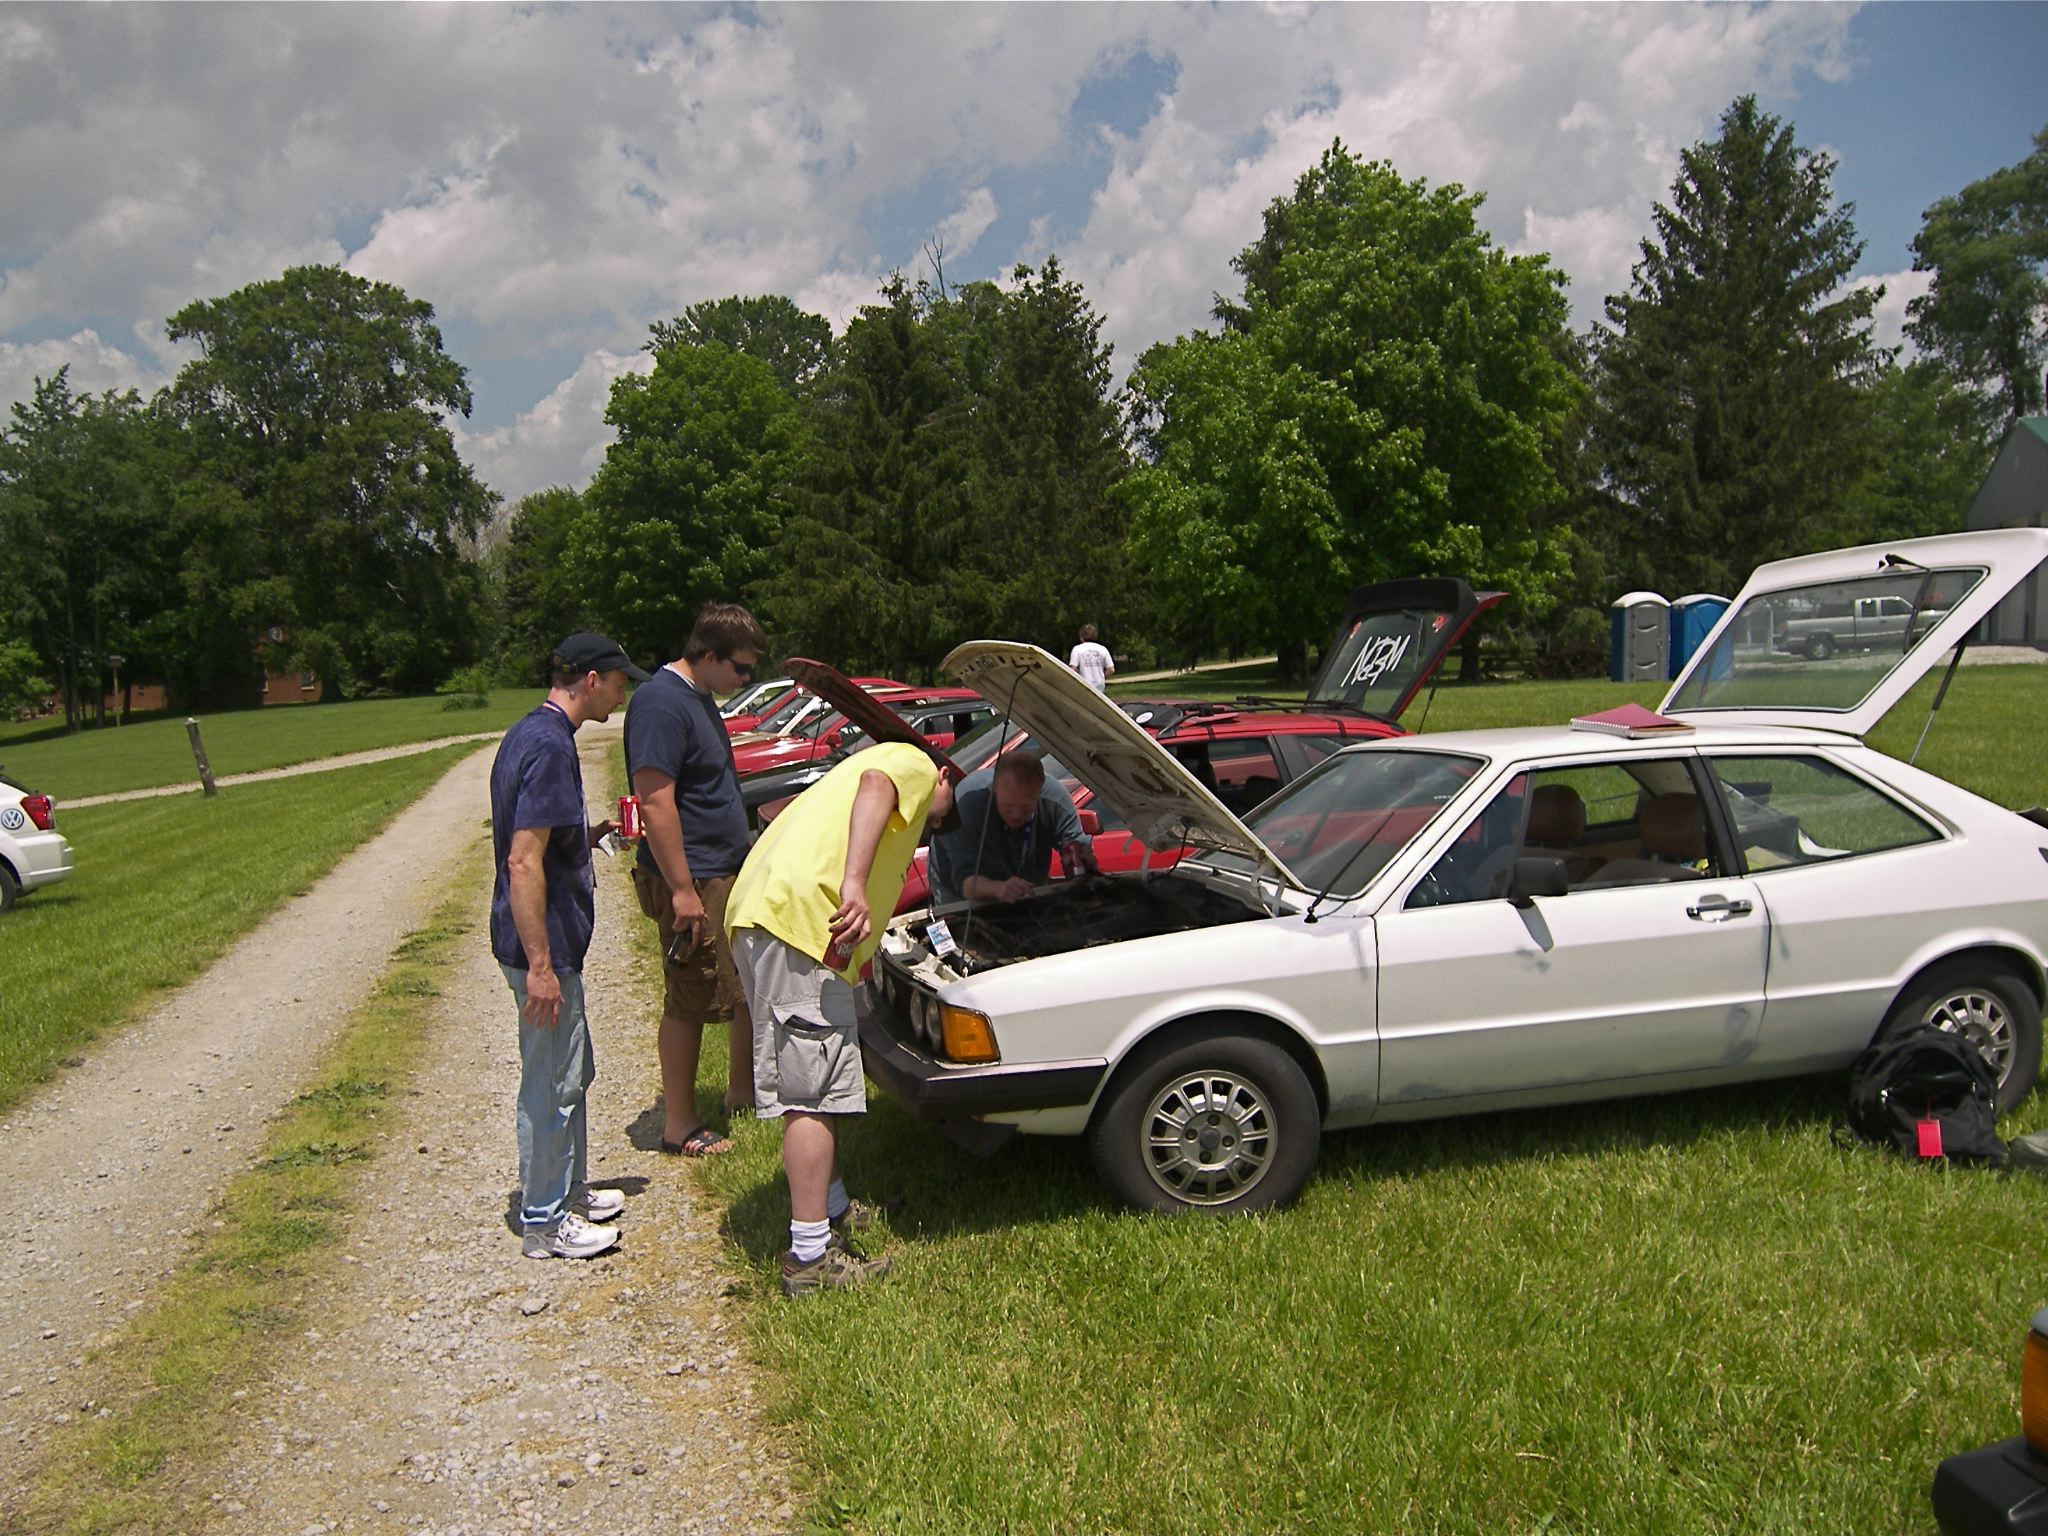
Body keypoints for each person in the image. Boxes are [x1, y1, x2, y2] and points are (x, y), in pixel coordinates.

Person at [724, 742, 957, 1296]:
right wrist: (853, 883)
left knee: (815, 1076)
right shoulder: (914, 765)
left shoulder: (847, 773)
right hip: (802, 922)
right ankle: (809, 1257)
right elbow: (880, 785)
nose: (927, 827)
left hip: (765, 914)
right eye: (936, 819)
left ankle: (831, 1208)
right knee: (812, 1094)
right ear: (944, 777)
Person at [490, 632, 647, 1260]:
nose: (622, 696)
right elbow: (522, 861)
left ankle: (569, 1189)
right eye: (619, 684)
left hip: (551, 946)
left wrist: (591, 836)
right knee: (551, 1082)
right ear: (590, 679)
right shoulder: (552, 746)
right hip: (544, 948)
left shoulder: (530, 733)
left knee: (571, 1072)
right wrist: (540, 965)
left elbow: (543, 840)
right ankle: (544, 1219)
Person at [624, 602, 769, 1158]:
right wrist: (683, 891)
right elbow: (655, 800)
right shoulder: (661, 703)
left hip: (721, 870)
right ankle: (679, 1125)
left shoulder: (699, 696)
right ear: (708, 654)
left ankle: (742, 1093)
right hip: (694, 877)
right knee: (689, 995)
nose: (746, 679)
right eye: (741, 668)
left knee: (739, 988)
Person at [928, 750, 1096, 905]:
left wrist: (1081, 861)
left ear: (1039, 791)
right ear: (994, 788)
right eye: (1008, 806)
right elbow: (965, 882)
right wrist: (999, 889)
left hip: (1023, 883)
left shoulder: (1055, 801)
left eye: (1026, 808)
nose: (1016, 815)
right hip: (958, 885)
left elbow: (1076, 848)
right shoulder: (967, 807)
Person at [1068, 623, 1114, 692]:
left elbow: (1073, 669)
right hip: (1099, 686)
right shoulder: (1102, 649)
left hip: (1083, 685)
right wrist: (1102, 676)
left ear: (1081, 637)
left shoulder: (1077, 649)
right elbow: (1111, 669)